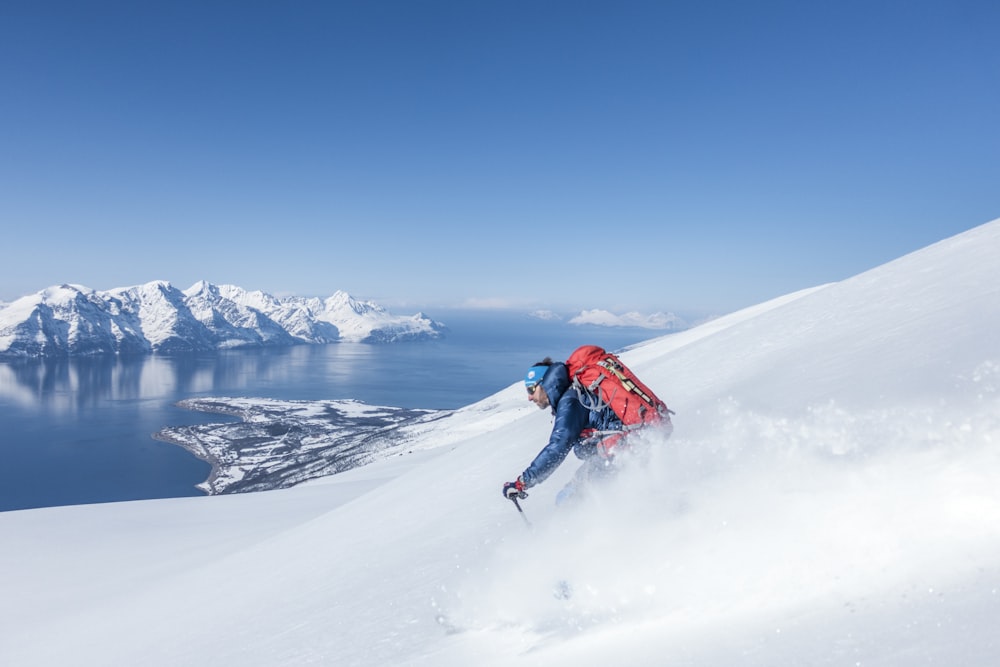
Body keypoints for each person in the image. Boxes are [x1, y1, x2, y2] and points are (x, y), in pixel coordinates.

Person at [502, 356, 627, 505]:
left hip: (618, 451)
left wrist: (522, 482)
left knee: (569, 500)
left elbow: (558, 446)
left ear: (543, 384)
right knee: (568, 495)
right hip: (615, 450)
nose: (529, 397)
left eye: (531, 389)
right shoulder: (574, 396)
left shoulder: (570, 401)